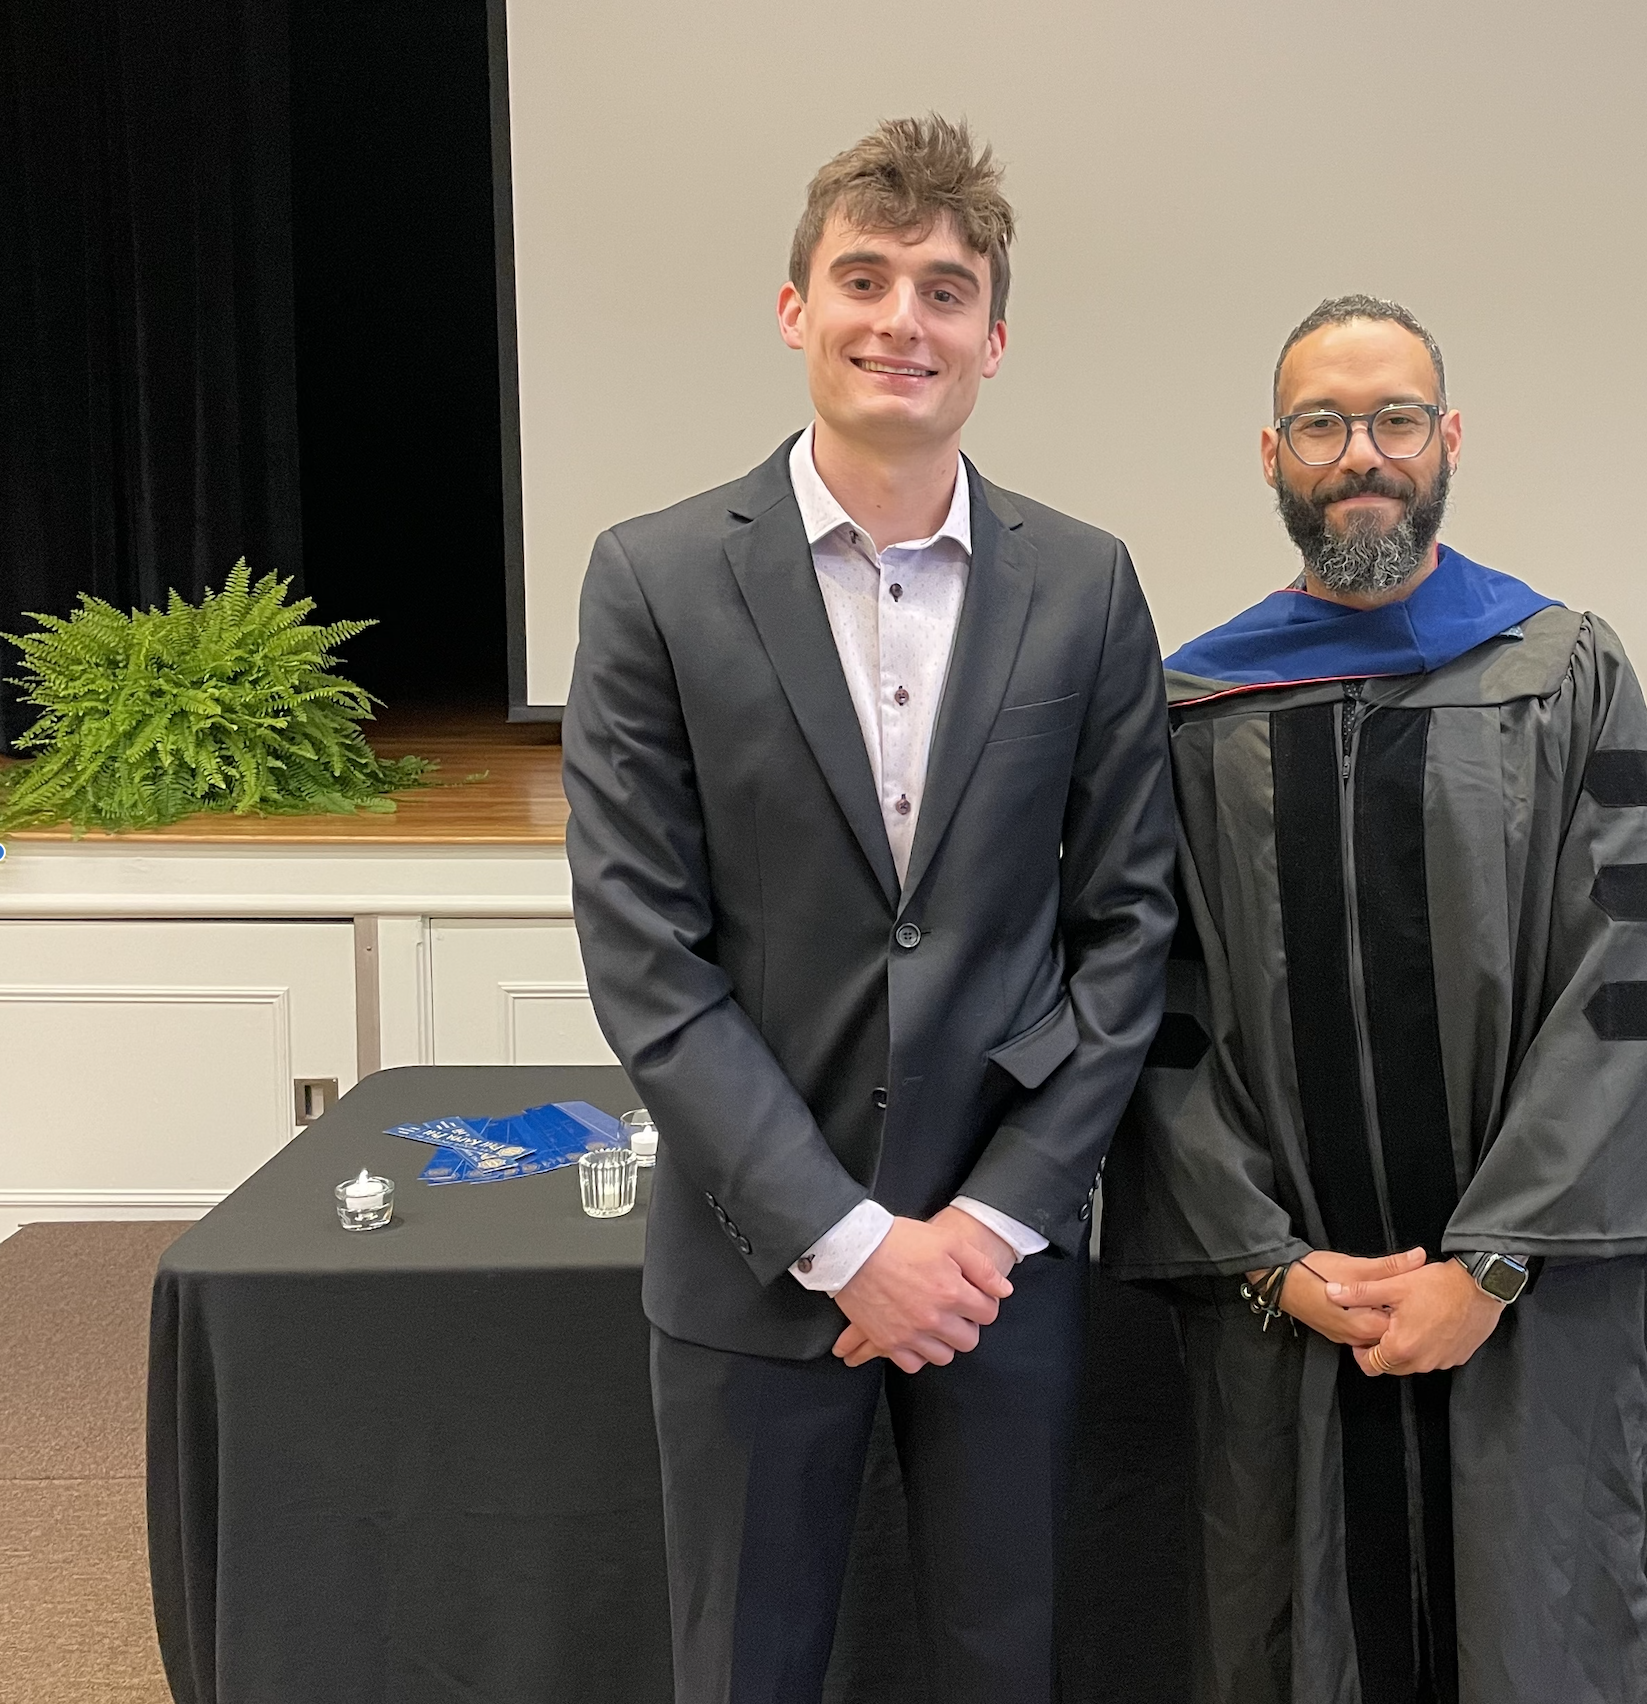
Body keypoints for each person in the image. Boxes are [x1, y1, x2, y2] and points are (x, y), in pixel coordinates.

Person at [562, 116, 1176, 1704]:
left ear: (992, 341)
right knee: (746, 1670)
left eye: (946, 288)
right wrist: (844, 1242)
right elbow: (649, 958)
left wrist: (980, 1227)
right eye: (865, 276)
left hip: (1003, 1267)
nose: (903, 317)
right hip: (752, 1262)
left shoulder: (1090, 584)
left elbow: (1129, 928)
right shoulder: (652, 578)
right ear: (794, 309)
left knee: (1002, 1662)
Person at [1100, 295, 1647, 1704]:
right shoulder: (1193, 707)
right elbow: (1154, 1006)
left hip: (1516, 1305)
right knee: (1288, 1623)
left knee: (1529, 1626)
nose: (1360, 453)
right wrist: (1274, 1263)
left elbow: (1620, 983)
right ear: (1272, 453)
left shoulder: (1565, 671)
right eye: (1323, 424)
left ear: (1448, 441)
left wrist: (1490, 1265)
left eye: (1392, 420)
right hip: (1294, 1304)